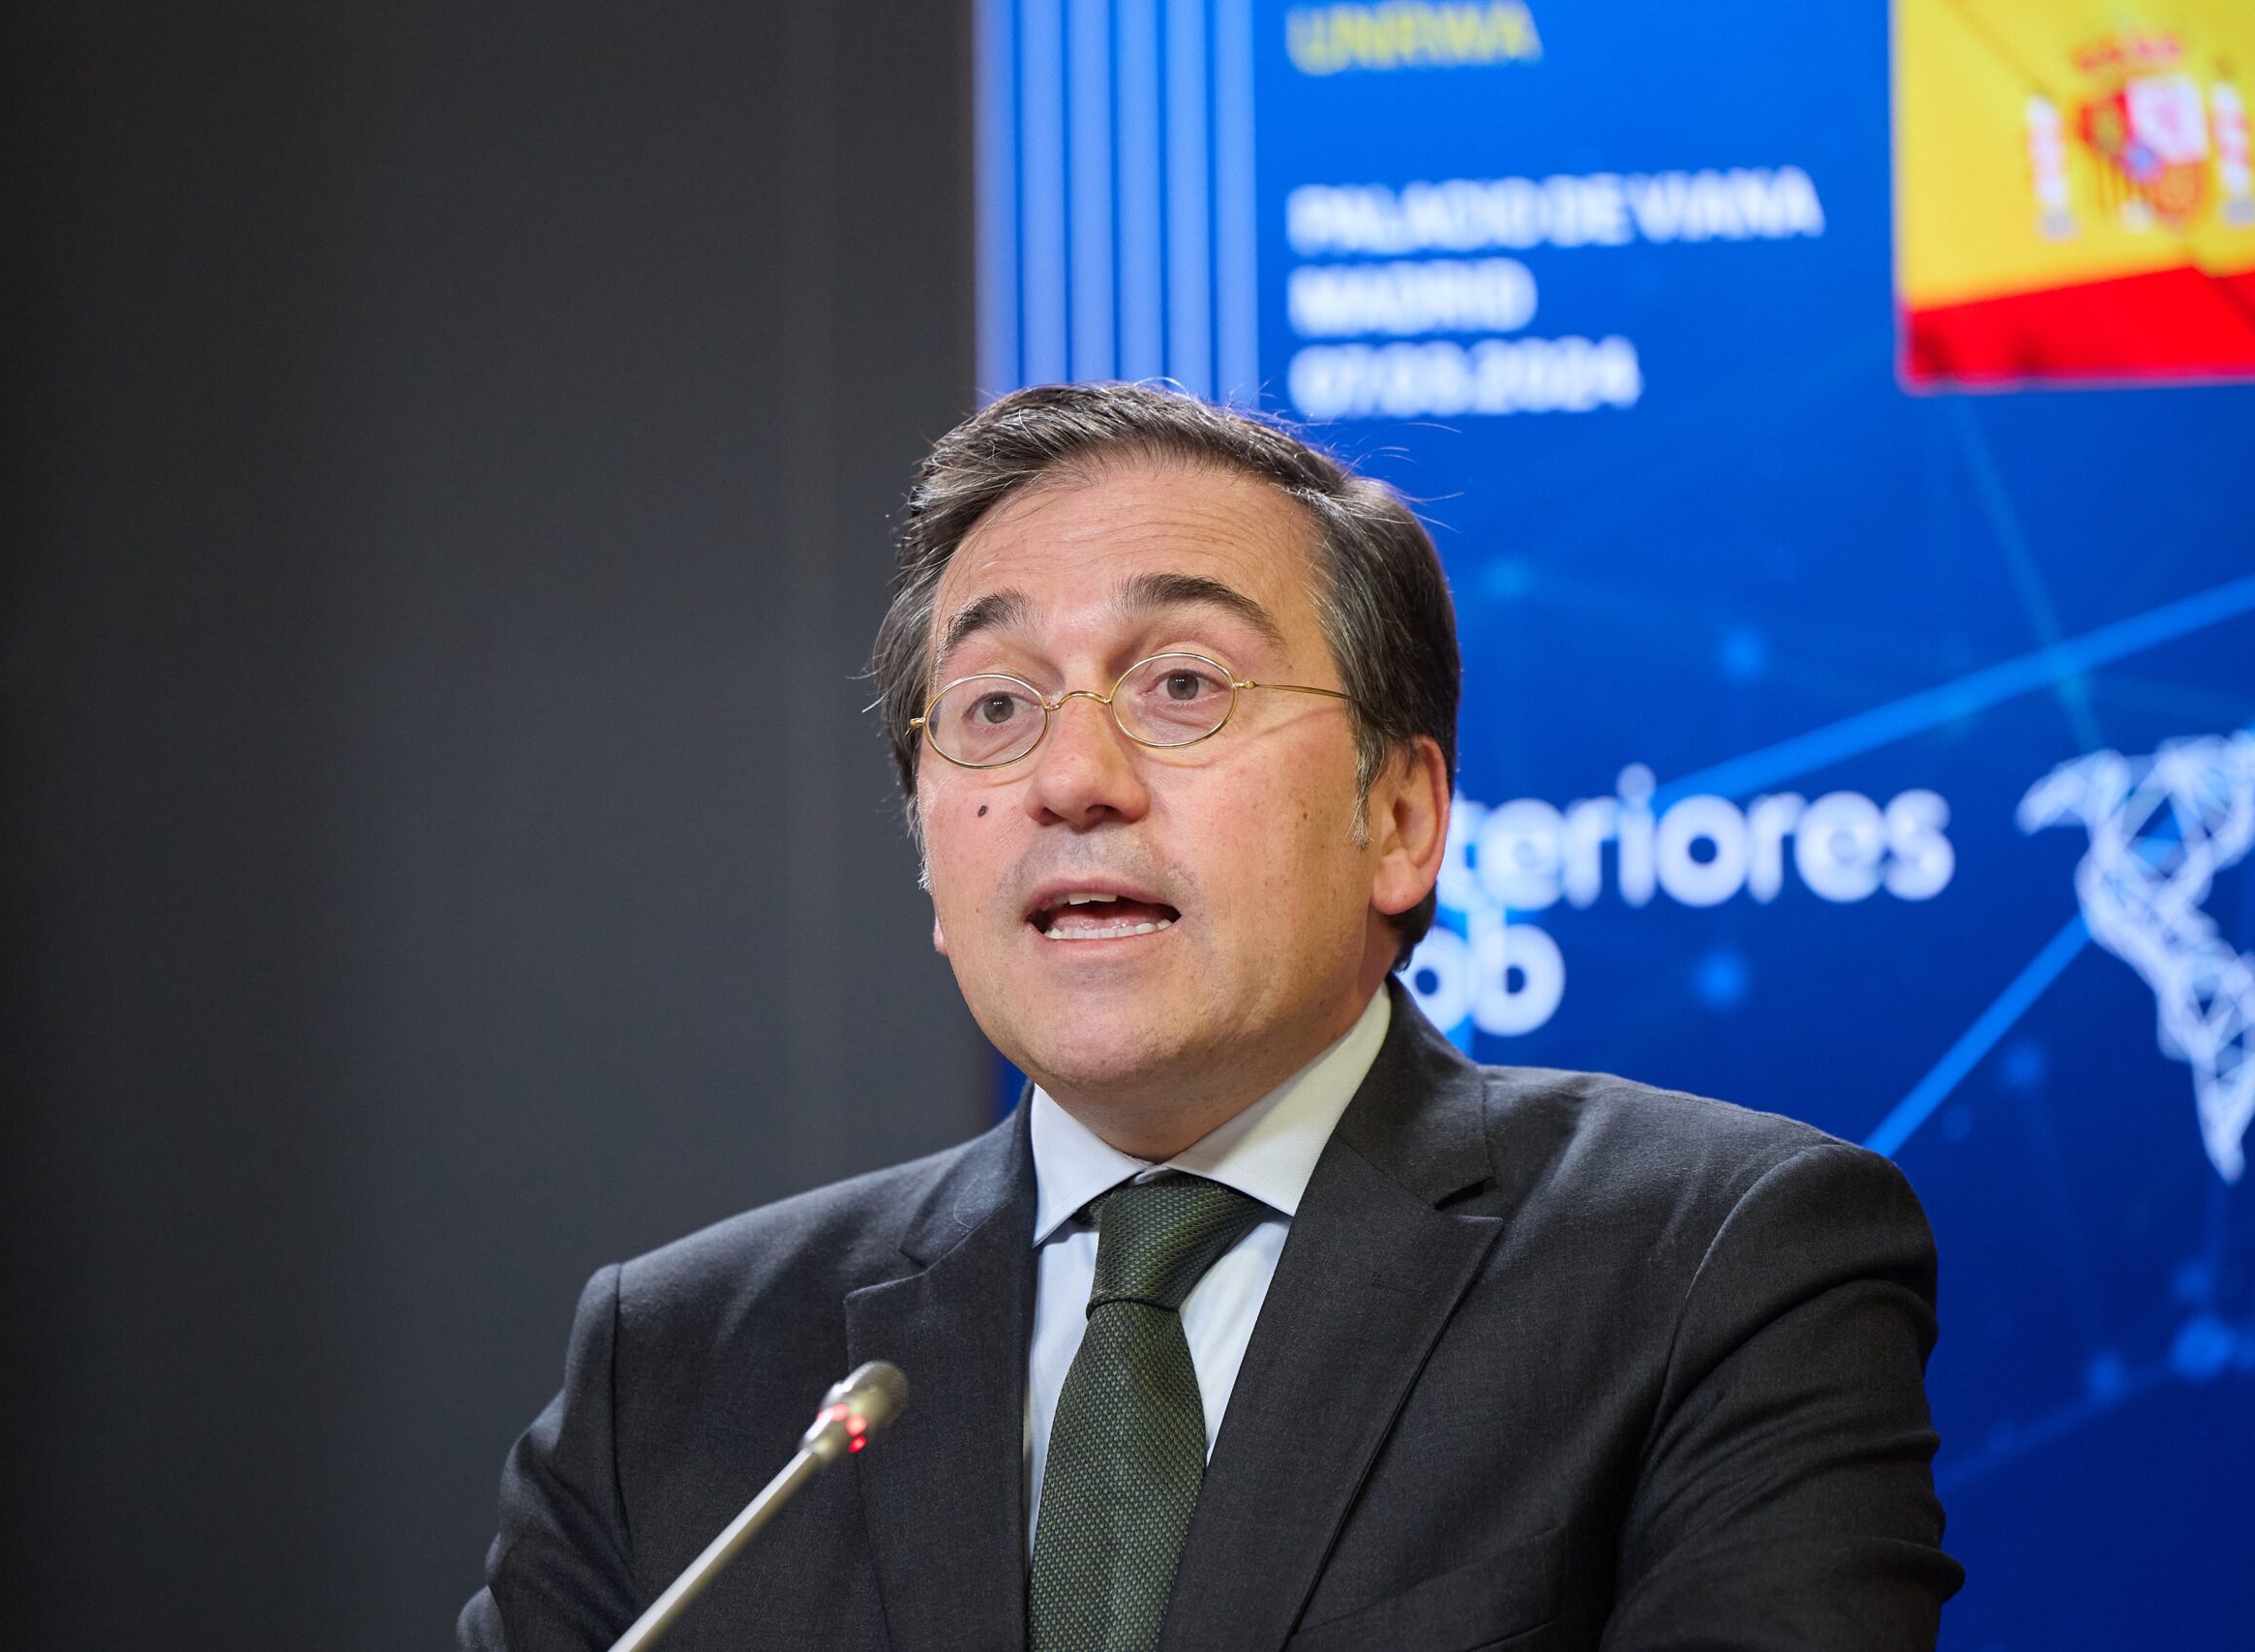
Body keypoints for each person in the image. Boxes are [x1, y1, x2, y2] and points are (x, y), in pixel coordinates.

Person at [459, 382, 1961, 1651]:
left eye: (1182, 685)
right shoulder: (679, 1365)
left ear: (1399, 817)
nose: (1072, 780)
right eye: (995, 707)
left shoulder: (1717, 1266)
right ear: (931, 861)